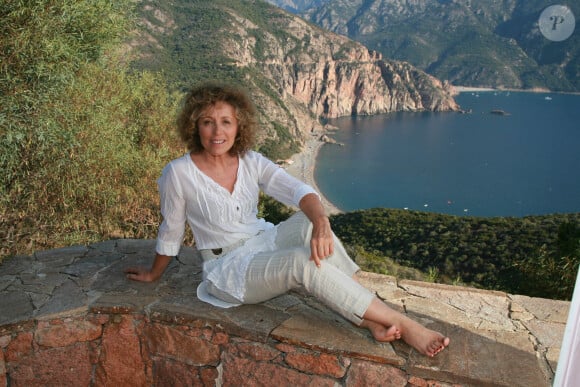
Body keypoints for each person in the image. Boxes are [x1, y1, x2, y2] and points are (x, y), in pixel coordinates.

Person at [125, 82, 450, 357]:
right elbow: (171, 229)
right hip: (228, 269)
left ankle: (368, 317)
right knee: (300, 262)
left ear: (239, 127)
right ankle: (402, 322)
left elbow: (300, 191)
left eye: (226, 121)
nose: (217, 131)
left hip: (263, 242)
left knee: (310, 223)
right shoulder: (178, 172)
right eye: (208, 122)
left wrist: (322, 222)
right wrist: (155, 273)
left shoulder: (250, 161)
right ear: (195, 125)